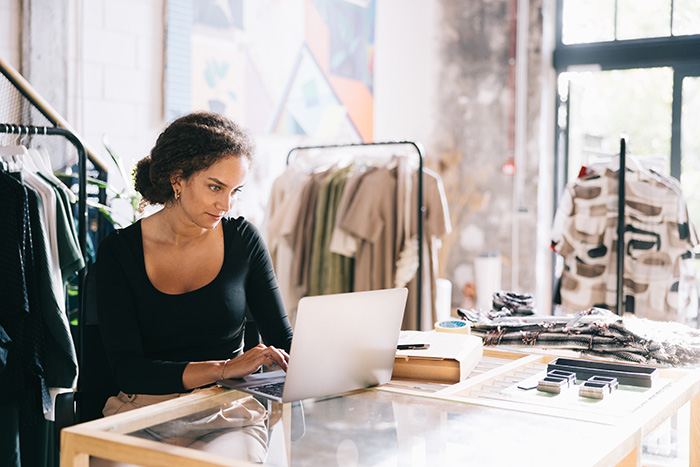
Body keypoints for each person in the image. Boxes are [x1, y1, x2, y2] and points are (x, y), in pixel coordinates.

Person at [95, 111, 292, 464]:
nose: (226, 204)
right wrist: (221, 368)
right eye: (215, 187)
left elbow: (283, 341)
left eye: (235, 191)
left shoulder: (242, 241)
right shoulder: (119, 252)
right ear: (178, 179)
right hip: (143, 414)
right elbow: (126, 368)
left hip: (224, 413)